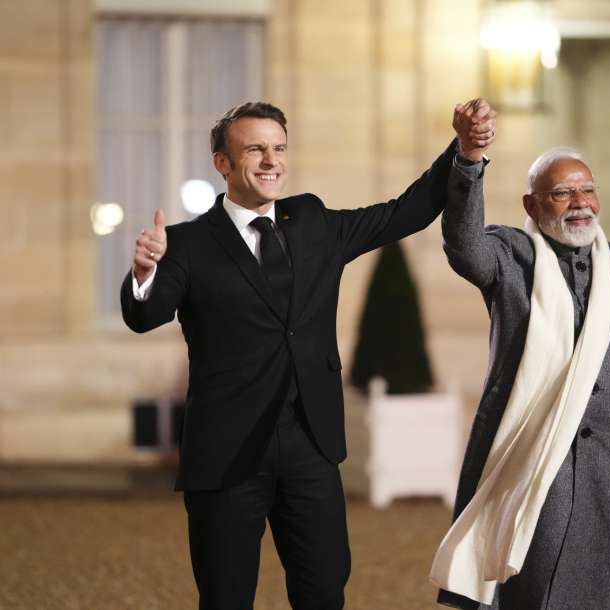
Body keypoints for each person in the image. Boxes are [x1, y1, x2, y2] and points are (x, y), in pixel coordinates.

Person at [121, 100, 493, 610]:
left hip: (310, 446)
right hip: (226, 452)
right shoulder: (186, 244)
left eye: (278, 148)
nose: (271, 160)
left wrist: (465, 152)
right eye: (255, 149)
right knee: (225, 598)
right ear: (222, 162)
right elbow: (144, 315)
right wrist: (144, 274)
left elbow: (404, 212)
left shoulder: (313, 221)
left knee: (323, 593)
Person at [430, 100, 610, 610]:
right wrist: (469, 160)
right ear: (531, 205)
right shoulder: (510, 257)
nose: (579, 202)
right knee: (532, 596)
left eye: (587, 189)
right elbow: (463, 245)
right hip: (532, 471)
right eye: (562, 192)